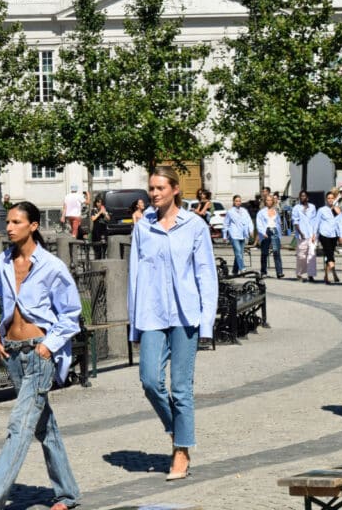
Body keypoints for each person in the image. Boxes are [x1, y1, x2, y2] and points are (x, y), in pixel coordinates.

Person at [0, 201, 82, 510]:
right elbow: (8, 305)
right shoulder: (2, 263)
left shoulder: (52, 267)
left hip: (39, 353)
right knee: (43, 426)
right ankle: (68, 494)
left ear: (33, 225)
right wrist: (0, 333)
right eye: (8, 222)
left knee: (19, 425)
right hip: (13, 353)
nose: (9, 227)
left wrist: (48, 346)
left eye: (16, 222)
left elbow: (70, 316)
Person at [128, 166, 217, 481]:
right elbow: (134, 278)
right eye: (151, 188)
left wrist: (207, 323)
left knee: (181, 388)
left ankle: (181, 450)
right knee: (150, 380)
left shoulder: (195, 226)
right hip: (151, 314)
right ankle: (177, 430)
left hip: (185, 315)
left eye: (160, 188)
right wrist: (134, 326)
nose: (154, 194)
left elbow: (206, 274)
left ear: (175, 189)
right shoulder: (143, 228)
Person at [256, 194, 285, 279]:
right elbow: (259, 224)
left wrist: (279, 235)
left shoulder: (275, 211)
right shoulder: (261, 212)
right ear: (265, 201)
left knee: (276, 252)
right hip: (266, 231)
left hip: (275, 231)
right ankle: (263, 271)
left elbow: (279, 223)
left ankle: (279, 272)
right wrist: (262, 232)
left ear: (273, 201)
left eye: (270, 200)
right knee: (264, 252)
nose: (269, 202)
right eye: (267, 200)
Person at [317, 191, 342, 284]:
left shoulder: (337, 209)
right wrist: (314, 236)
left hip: (334, 235)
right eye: (328, 198)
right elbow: (317, 223)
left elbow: (340, 223)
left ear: (334, 199)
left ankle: (326, 276)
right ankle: (334, 273)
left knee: (330, 255)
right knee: (329, 254)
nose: (330, 200)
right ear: (326, 200)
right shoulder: (321, 210)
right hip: (324, 235)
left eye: (332, 198)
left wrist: (341, 235)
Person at [292, 191, 318, 282]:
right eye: (301, 196)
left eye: (304, 196)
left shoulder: (312, 207)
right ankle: (299, 274)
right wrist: (300, 232)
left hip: (311, 235)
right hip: (301, 235)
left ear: (307, 197)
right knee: (301, 256)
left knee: (311, 256)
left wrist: (314, 234)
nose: (302, 197)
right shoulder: (296, 208)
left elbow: (315, 221)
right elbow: (295, 222)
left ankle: (311, 275)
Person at [224, 194, 253, 275]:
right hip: (233, 234)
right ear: (233, 202)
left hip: (242, 234)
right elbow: (226, 224)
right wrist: (224, 236)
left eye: (239, 201)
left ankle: (234, 271)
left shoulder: (244, 211)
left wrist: (251, 230)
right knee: (238, 252)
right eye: (236, 201)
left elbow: (249, 220)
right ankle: (242, 269)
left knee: (240, 253)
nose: (238, 202)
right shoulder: (230, 212)